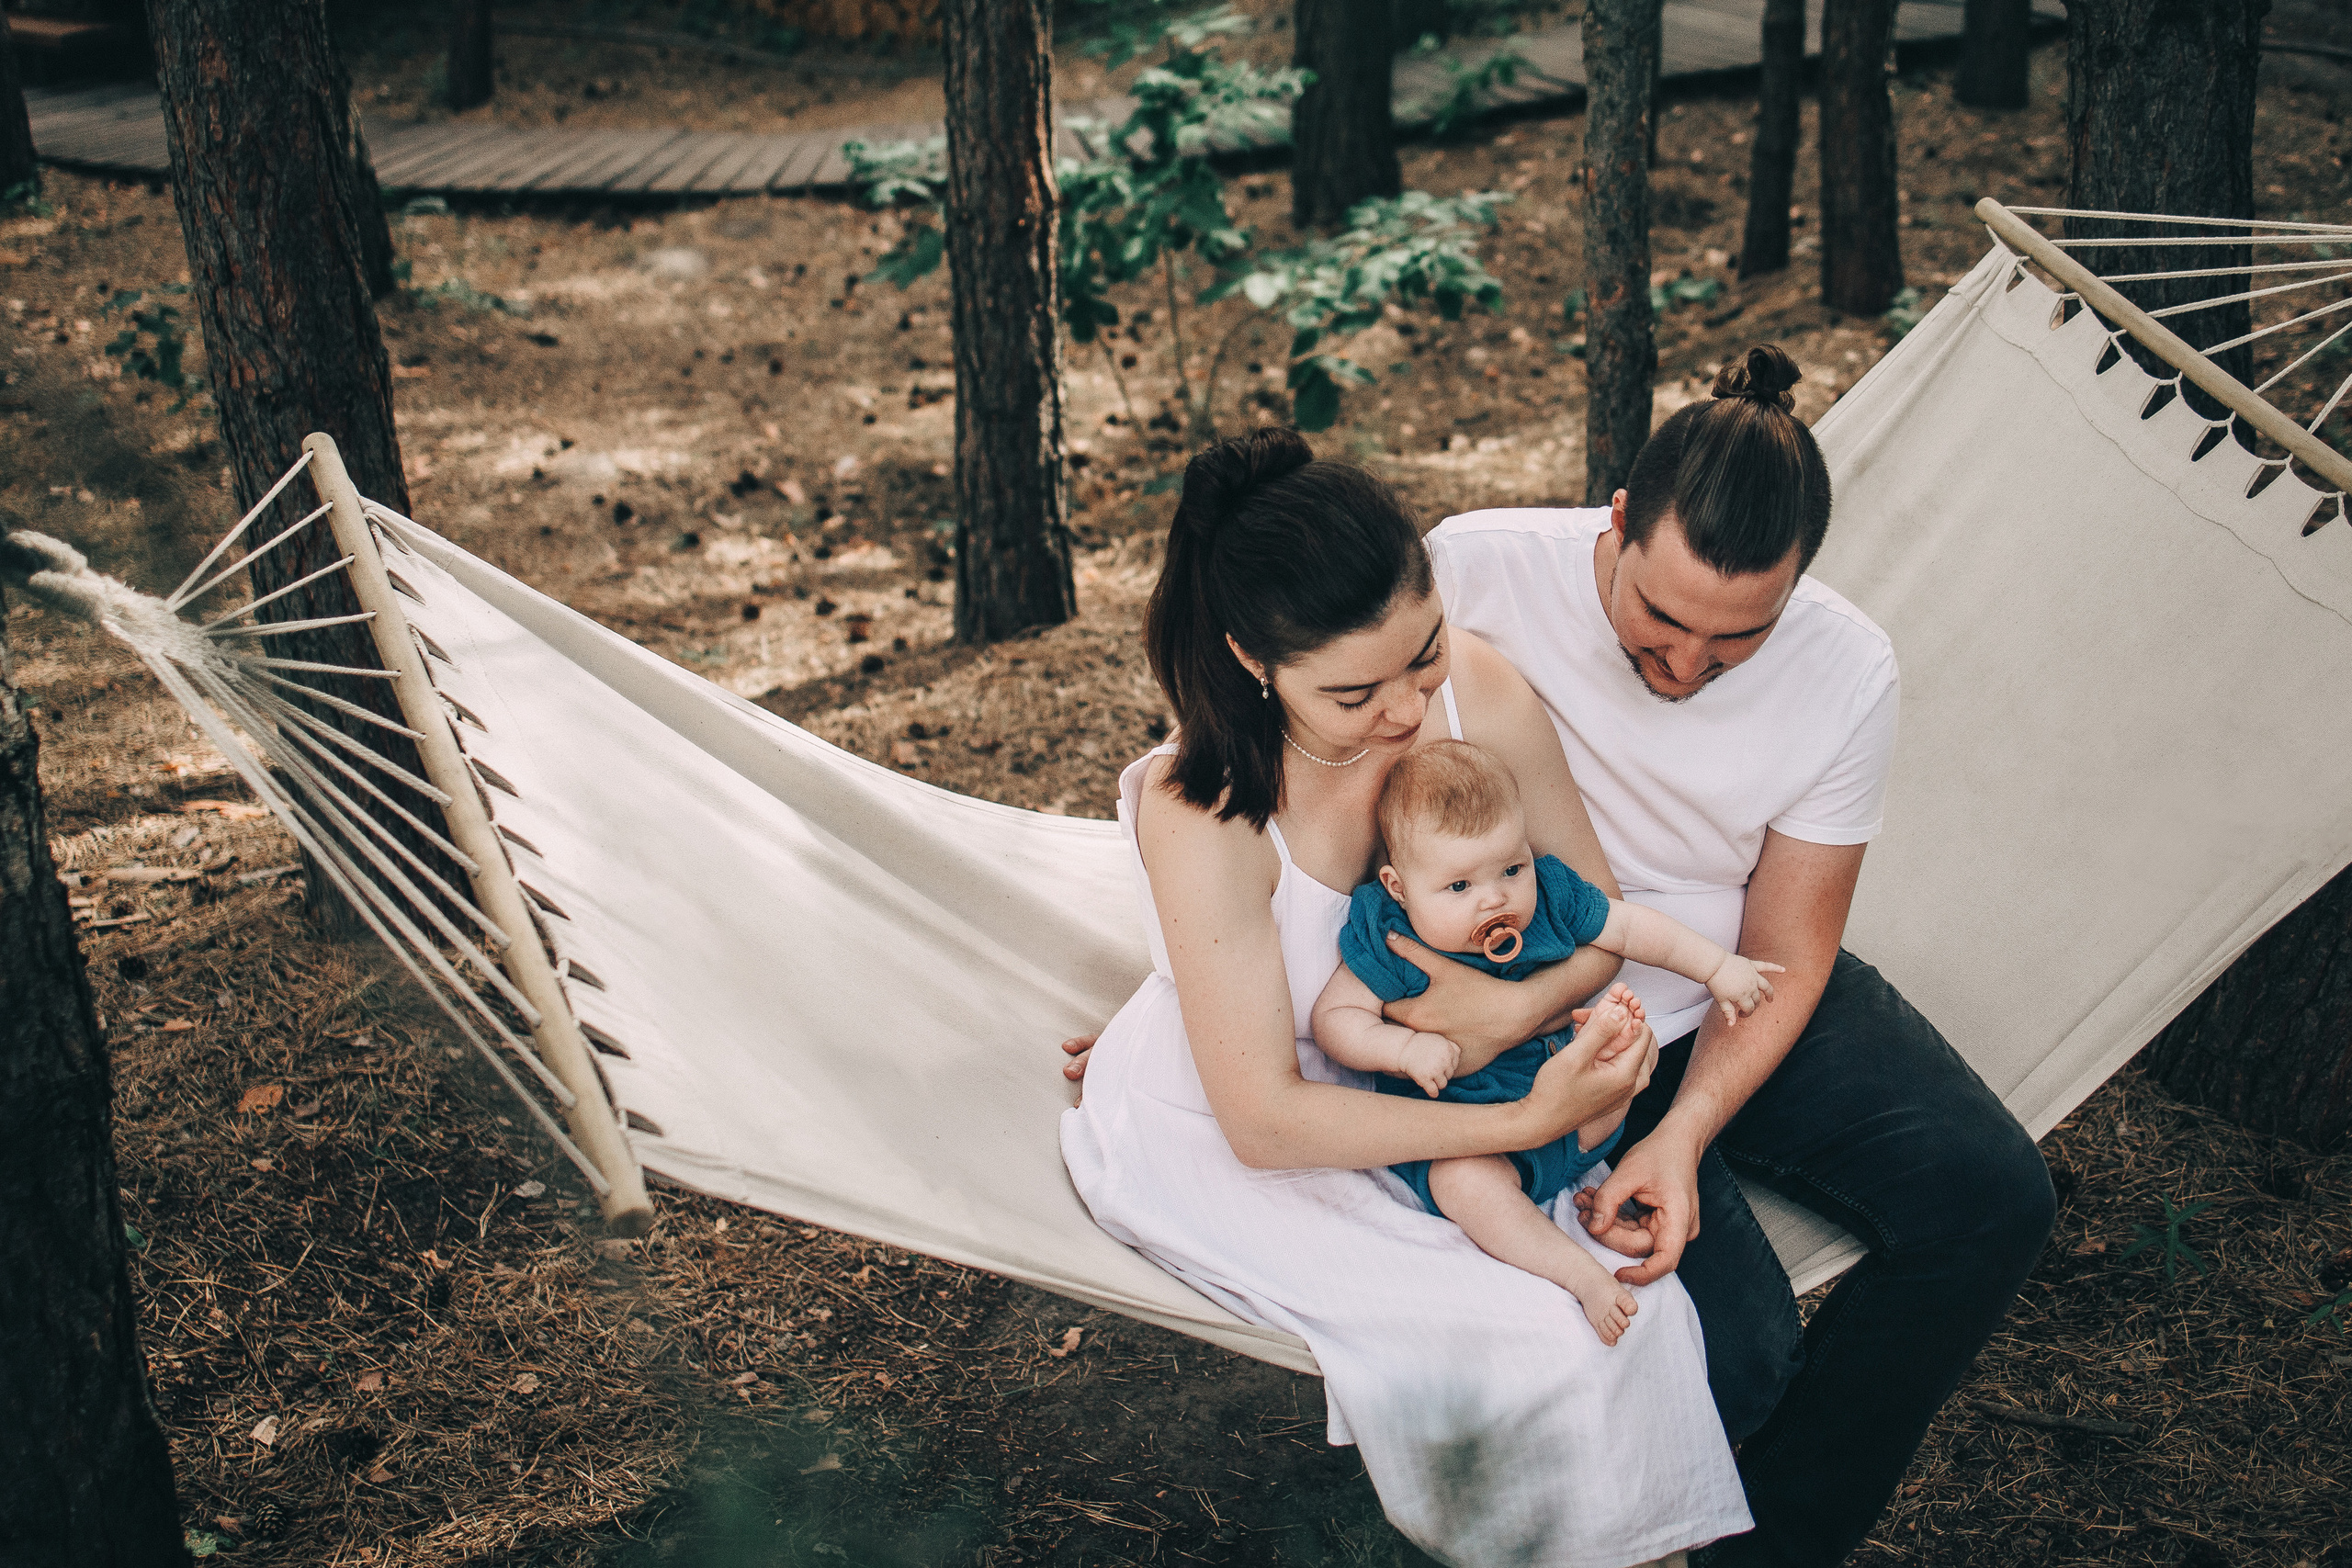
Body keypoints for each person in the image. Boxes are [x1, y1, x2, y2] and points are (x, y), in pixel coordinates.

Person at [1392, 344, 2058, 1566]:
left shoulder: (1847, 667)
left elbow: (1790, 948)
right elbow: (1311, 764)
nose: (1687, 664)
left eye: (1737, 635)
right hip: (1548, 1002)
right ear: (1618, 522)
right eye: (1660, 617)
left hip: (1734, 977)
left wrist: (1684, 1133)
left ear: (1795, 583)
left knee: (1994, 1198)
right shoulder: (1478, 568)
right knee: (1739, 1358)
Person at [1057, 428, 1754, 1567]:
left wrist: (1510, 1023)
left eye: (1419, 655)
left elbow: (1594, 923)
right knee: (1540, 1342)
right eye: (1353, 693)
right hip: (1259, 1132)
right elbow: (1263, 1120)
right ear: (1251, 660)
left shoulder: (1475, 690)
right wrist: (1518, 1120)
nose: (1402, 710)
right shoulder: (1208, 808)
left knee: (1637, 1324)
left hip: (1462, 1084)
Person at [1312, 739, 1781, 1345]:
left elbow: (1631, 927)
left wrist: (1716, 966)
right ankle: (1580, 1274)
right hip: (1473, 1135)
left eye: (1512, 869)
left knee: (1627, 1048)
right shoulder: (1391, 933)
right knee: (1462, 1182)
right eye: (1459, 885)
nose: (1495, 897)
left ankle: (1601, 1076)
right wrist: (1400, 1050)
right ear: (1398, 887)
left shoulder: (1551, 899)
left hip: (1576, 1115)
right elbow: (1336, 1016)